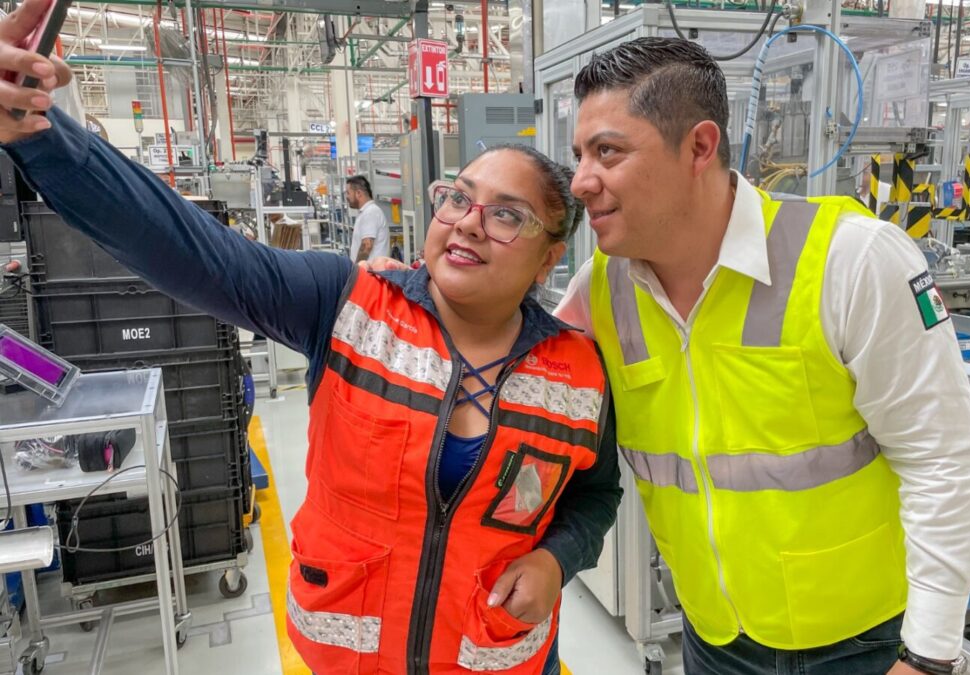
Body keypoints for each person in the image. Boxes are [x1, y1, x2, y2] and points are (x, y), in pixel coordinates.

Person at [0, 3, 621, 673]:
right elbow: (188, 247)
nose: (468, 223)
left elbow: (596, 493)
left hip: (498, 657)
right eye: (458, 197)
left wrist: (558, 560)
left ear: (550, 258)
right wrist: (39, 136)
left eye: (506, 215)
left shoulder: (578, 371)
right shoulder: (345, 304)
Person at [555, 38, 970, 675]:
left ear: (699, 148)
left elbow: (942, 460)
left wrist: (928, 656)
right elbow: (510, 376)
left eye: (608, 152)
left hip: (862, 644)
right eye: (578, 156)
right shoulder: (600, 290)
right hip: (712, 636)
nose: (580, 181)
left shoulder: (851, 261)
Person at [346, 174, 391, 263]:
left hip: (370, 272)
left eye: (348, 193)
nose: (347, 197)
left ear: (358, 193)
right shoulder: (366, 212)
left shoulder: (371, 212)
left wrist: (356, 269)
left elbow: (367, 245)